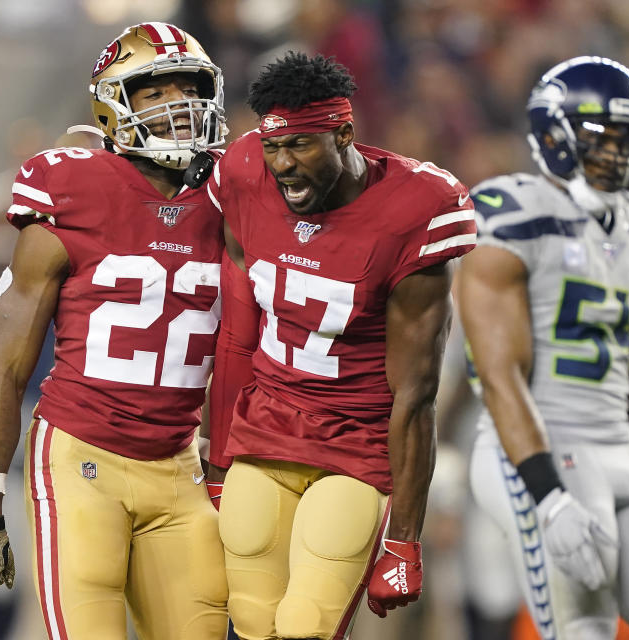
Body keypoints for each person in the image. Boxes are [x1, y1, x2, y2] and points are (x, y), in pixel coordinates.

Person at [0, 22, 230, 639]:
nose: (180, 105)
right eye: (156, 91)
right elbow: (3, 365)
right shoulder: (68, 187)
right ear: (113, 104)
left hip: (179, 464)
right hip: (82, 459)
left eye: (190, 86)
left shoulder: (231, 199)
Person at [203, 52, 477, 640]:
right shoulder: (245, 169)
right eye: (273, 147)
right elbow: (238, 333)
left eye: (300, 146)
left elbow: (417, 393)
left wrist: (404, 536)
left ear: (345, 133)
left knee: (304, 626)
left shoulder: (415, 208)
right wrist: (220, 455)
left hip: (354, 450)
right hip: (263, 434)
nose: (282, 165)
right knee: (251, 623)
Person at [457, 56, 629, 639]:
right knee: (585, 629)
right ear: (555, 135)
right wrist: (549, 497)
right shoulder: (511, 216)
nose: (621, 152)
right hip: (541, 451)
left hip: (620, 450)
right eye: (605, 137)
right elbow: (501, 377)